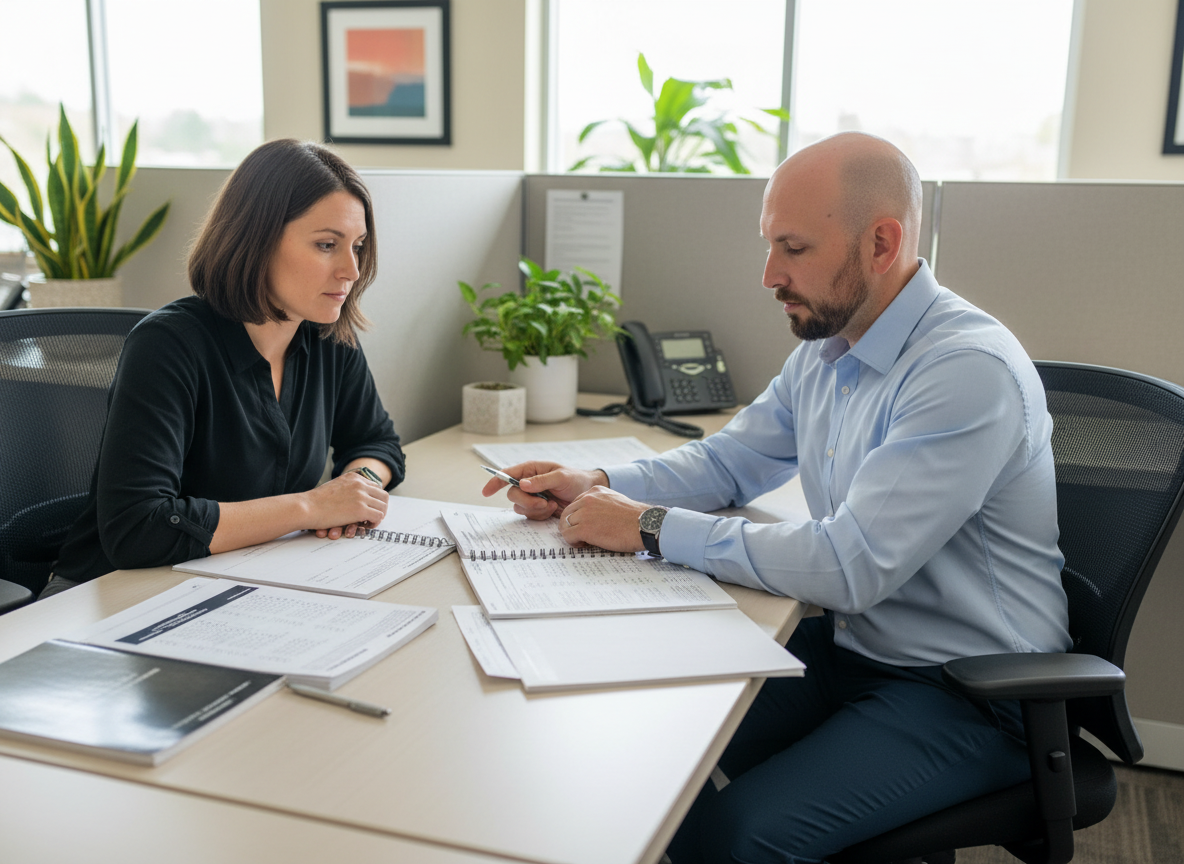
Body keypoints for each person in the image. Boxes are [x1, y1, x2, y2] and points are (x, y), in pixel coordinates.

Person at [482, 132, 1072, 863]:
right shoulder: (830, 348)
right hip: (859, 651)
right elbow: (733, 461)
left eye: (792, 248)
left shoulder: (962, 371)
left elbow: (848, 565)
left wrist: (649, 527)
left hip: (970, 694)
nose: (768, 274)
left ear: (881, 243)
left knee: (739, 838)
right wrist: (600, 484)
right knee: (642, 737)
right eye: (769, 245)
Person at [44, 139, 403, 598]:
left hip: (234, 580)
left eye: (357, 246)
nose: (351, 270)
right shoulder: (168, 345)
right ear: (257, 240)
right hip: (107, 593)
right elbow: (138, 529)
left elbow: (376, 441)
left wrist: (359, 486)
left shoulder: (326, 335)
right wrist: (311, 507)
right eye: (327, 245)